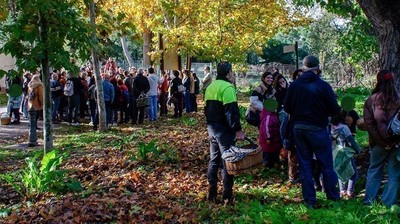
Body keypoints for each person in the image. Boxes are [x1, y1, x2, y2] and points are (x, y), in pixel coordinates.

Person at [284, 55, 341, 208]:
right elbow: (334, 109)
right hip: (317, 128)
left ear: (303, 67)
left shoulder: (294, 86)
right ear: (317, 67)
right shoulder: (323, 85)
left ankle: (309, 199)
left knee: (305, 164)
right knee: (326, 164)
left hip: (299, 128)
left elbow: (287, 108)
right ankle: (333, 197)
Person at [204, 61, 245, 203]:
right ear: (229, 73)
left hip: (212, 128)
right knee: (228, 160)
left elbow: (205, 108)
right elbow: (231, 112)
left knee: (214, 160)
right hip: (224, 130)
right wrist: (238, 130)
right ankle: (227, 194)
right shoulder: (228, 87)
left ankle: (212, 192)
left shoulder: (210, 87)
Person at [363, 70, 400, 207]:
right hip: (397, 143)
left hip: (379, 144)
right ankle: (388, 202)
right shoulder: (398, 99)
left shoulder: (371, 100)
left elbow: (369, 125)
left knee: (374, 169)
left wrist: (382, 143)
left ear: (378, 81)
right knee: (394, 173)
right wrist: (394, 141)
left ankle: (369, 201)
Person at [331, 110, 361, 199]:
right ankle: (349, 192)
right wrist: (358, 150)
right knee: (353, 173)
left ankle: (342, 191)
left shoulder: (331, 127)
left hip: (335, 151)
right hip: (345, 151)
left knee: (340, 172)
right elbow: (351, 142)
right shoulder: (344, 128)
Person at [258, 100, 282, 168]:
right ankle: (268, 165)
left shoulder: (273, 115)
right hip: (268, 141)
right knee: (268, 154)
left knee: (274, 152)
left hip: (274, 140)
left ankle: (275, 163)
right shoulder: (268, 117)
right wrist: (268, 137)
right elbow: (266, 128)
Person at [27, 74, 44, 147]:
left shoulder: (30, 85)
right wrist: (43, 104)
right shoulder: (39, 86)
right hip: (36, 104)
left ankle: (31, 138)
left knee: (32, 122)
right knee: (34, 121)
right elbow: (41, 96)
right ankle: (33, 140)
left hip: (30, 104)